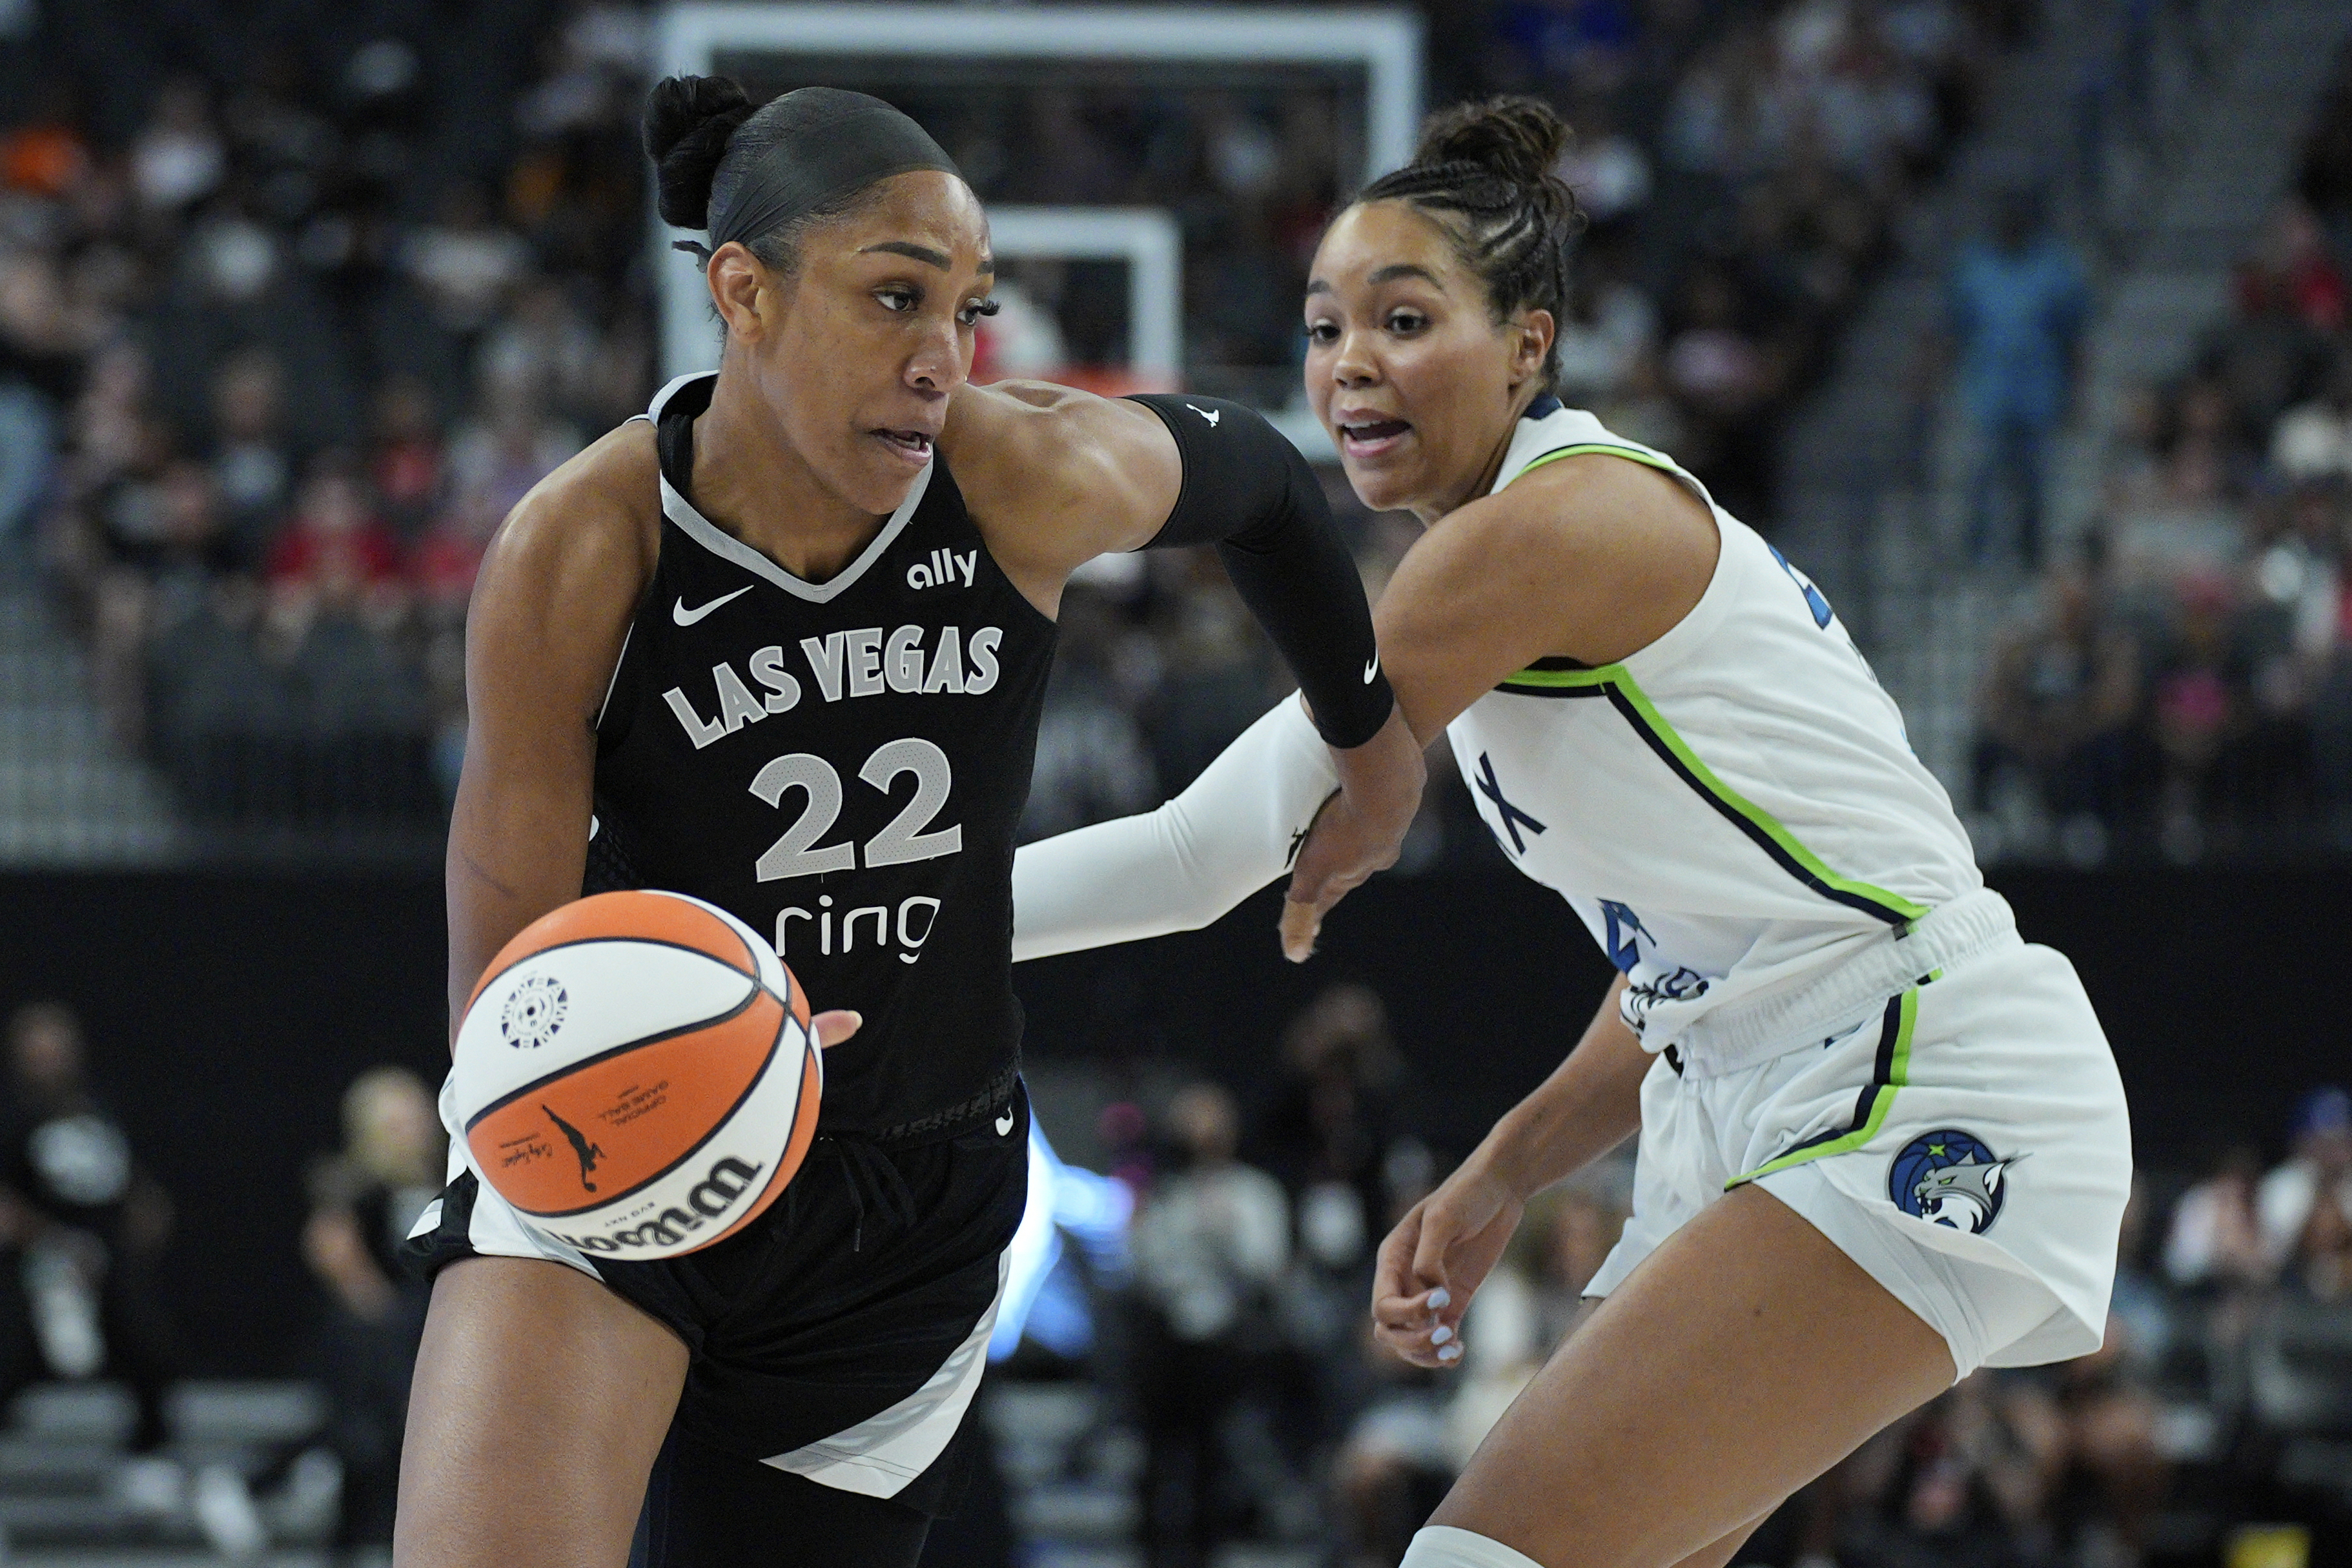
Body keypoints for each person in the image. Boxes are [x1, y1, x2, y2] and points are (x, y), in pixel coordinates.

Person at [1012, 96, 2132, 1568]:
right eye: (1324, 326)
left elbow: (1193, 856)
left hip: (1913, 1072)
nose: (1352, 364)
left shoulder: (1539, 532)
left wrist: (867, 917)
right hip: (1763, 1079)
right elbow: (1687, 955)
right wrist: (1509, 1164)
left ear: (1528, 342)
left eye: (1405, 321)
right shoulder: (1509, 554)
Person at [396, 77, 1424, 1568]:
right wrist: (698, 1071)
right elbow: (505, 989)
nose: (943, 360)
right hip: (625, 1150)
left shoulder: (1018, 476)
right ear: (740, 291)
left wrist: (1368, 737)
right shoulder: (582, 545)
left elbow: (1265, 484)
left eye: (967, 311)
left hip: (909, 1197)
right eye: (894, 301)